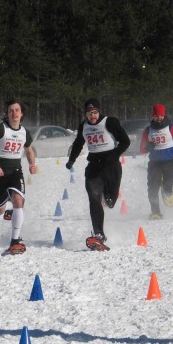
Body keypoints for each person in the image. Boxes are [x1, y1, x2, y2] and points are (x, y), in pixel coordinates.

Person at [65, 98, 131, 251]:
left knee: (110, 202)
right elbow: (78, 143)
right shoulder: (84, 125)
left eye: (94, 113)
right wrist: (71, 160)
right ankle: (99, 234)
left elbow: (125, 141)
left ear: (99, 112)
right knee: (94, 197)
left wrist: (114, 155)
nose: (92, 116)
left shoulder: (110, 122)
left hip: (111, 167)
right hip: (94, 167)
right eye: (89, 113)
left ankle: (106, 200)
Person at [0, 99, 37, 255]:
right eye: (11, 110)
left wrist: (32, 164)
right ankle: (8, 207)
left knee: (19, 200)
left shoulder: (25, 132)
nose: (14, 113)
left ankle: (15, 240)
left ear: (22, 113)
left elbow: (30, 151)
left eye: (17, 110)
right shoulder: (0, 130)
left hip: (15, 171)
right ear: (7, 113)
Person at [139, 104, 173, 220]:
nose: (159, 118)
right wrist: (148, 147)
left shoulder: (171, 128)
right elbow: (141, 149)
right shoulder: (148, 130)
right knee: (152, 188)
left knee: (168, 184)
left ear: (164, 115)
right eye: (156, 116)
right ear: (153, 117)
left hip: (169, 161)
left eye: (161, 116)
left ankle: (168, 190)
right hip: (154, 163)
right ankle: (155, 212)